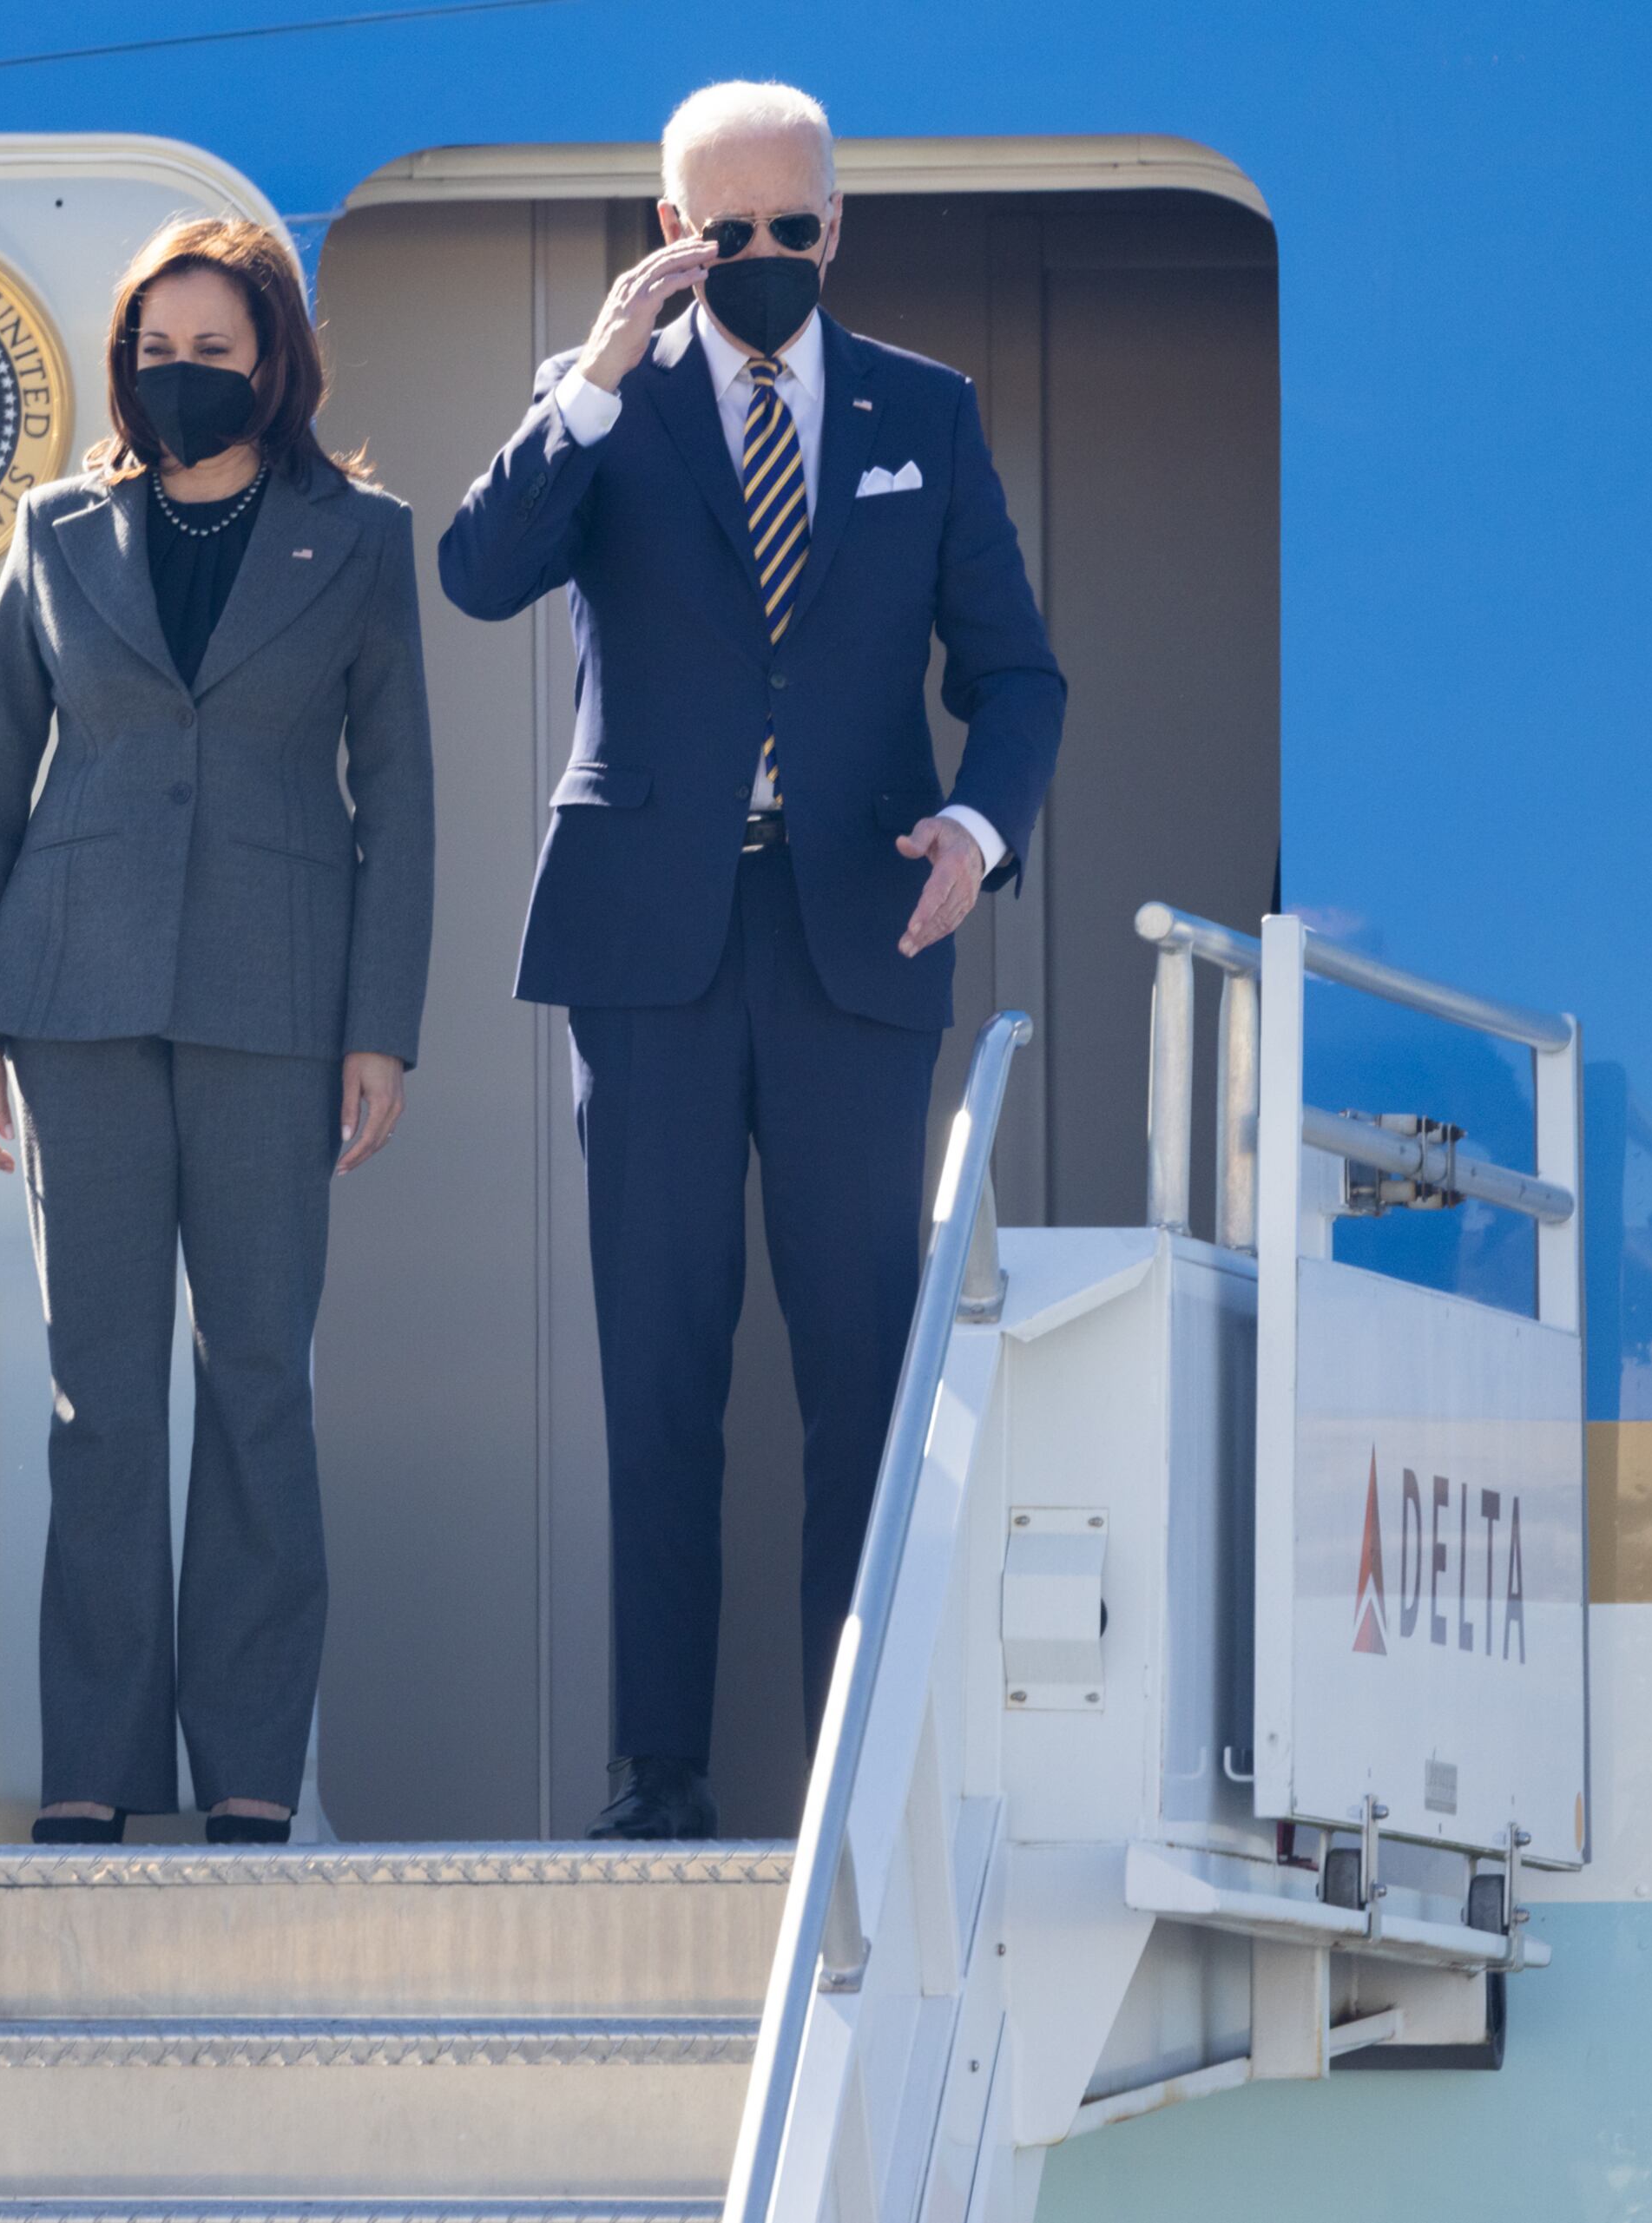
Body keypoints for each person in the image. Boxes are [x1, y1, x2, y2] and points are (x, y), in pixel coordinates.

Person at [438, 82, 1063, 1838]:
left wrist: (978, 826)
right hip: (650, 948)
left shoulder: (920, 413)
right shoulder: (607, 414)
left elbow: (1018, 674)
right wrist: (592, 376)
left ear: (838, 228)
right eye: (731, 234)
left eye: (797, 230)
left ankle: (861, 1768)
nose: (767, 260)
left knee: (863, 1362)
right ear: (673, 234)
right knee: (661, 1361)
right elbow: (478, 573)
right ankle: (658, 1774)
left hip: (856, 934)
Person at [0, 215, 436, 1845]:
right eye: (159, 354)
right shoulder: (56, 530)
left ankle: (245, 1776)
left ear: (273, 364)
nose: (184, 379)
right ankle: (89, 1772)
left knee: (258, 1385)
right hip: (72, 1000)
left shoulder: (360, 540)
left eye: (215, 354)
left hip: (276, 1010)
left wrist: (383, 1029)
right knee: (101, 1398)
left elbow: (402, 807)